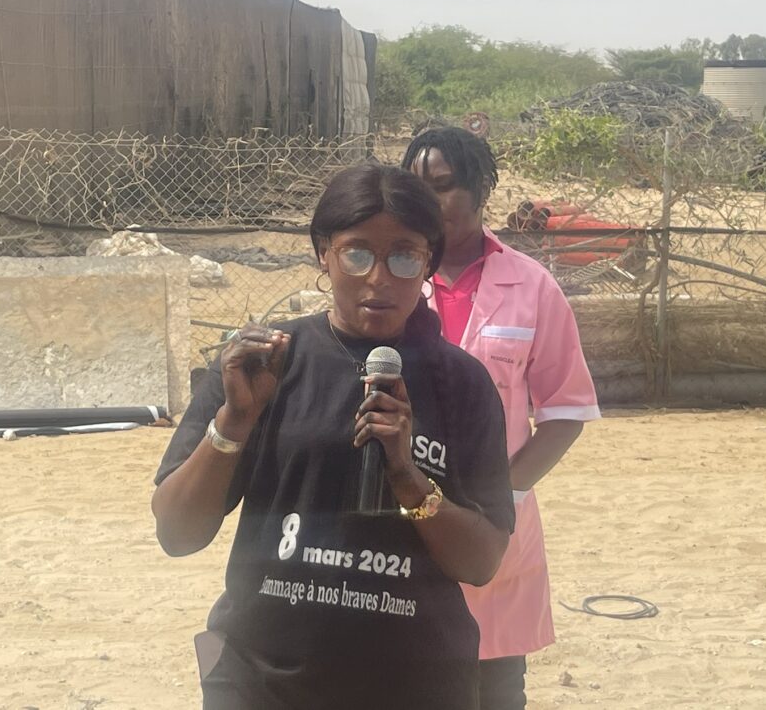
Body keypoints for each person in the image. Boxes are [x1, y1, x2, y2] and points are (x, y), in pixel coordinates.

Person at [152, 162, 514, 710]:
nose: (379, 278)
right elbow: (177, 533)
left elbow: (481, 562)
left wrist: (408, 477)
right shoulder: (264, 366)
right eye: (358, 252)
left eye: (404, 255)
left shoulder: (461, 384)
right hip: (262, 682)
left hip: (416, 685)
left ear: (427, 262)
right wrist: (234, 422)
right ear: (324, 252)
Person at [403, 126, 601, 709]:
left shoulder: (533, 288)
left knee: (492, 682)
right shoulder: (391, 279)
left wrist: (504, 492)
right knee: (405, 668)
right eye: (416, 188)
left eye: (443, 187)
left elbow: (566, 411)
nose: (429, 203)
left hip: (494, 518)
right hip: (400, 506)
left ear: (481, 188)